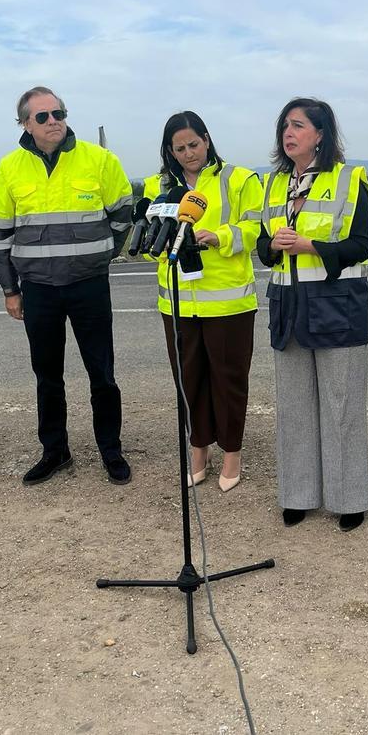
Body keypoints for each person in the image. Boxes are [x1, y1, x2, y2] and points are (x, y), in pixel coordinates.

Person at [0, 86, 134, 486]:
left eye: (59, 113)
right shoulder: (10, 168)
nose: (54, 121)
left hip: (89, 286)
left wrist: (101, 256)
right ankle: (55, 451)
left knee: (102, 373)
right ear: (25, 124)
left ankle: (111, 450)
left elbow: (123, 215)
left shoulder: (98, 160)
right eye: (43, 116)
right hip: (39, 291)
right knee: (47, 376)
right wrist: (10, 290)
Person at [256, 98, 368, 531]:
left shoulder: (350, 180)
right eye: (284, 126)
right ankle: (298, 495)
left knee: (341, 406)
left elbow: (361, 245)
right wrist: (271, 246)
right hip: (288, 308)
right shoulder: (272, 185)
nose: (288, 133)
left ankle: (349, 499)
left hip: (336, 306)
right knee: (293, 407)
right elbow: (261, 245)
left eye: (298, 125)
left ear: (321, 134)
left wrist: (310, 246)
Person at [142, 112, 262, 492]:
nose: (188, 153)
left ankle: (231, 453)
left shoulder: (240, 179)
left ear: (207, 140)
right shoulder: (156, 186)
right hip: (177, 303)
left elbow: (258, 227)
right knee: (188, 379)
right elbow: (147, 242)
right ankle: (198, 449)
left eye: (194, 144)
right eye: (179, 148)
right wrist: (155, 245)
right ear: (169, 151)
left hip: (228, 304)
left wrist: (221, 237)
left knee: (228, 381)